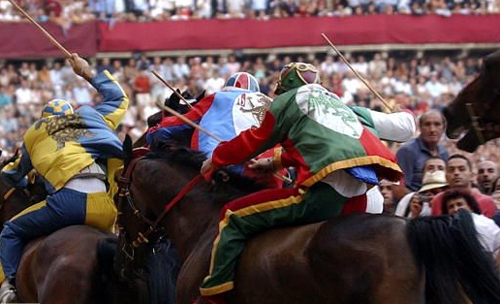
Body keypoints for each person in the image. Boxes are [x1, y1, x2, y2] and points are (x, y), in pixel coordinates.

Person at [194, 62, 416, 304]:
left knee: (232, 216)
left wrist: (217, 158)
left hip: (326, 196)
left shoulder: (285, 102)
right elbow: (402, 128)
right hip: (360, 198)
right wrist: (275, 163)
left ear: (284, 89)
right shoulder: (340, 105)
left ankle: (214, 294)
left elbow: (254, 140)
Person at [0, 54, 128, 303]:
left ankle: (9, 290)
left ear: (44, 118)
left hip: (68, 204)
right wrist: (88, 72)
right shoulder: (88, 117)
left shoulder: (35, 133)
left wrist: (27, 183)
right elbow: (119, 98)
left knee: (10, 231)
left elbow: (11, 174)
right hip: (107, 208)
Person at [147, 72, 284, 187]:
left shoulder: (218, 97)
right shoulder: (273, 104)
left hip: (220, 169)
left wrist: (154, 131)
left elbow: (171, 128)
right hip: (273, 174)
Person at [442, 189, 500, 266]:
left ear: (471, 207)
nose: (456, 209)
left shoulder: (483, 224)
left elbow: (486, 253)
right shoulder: (447, 227)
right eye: (451, 207)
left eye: (460, 204)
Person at [396, 110, 449, 191]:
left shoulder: (444, 153)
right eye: (427, 124)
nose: (432, 129)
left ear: (443, 128)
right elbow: (398, 188)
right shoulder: (407, 151)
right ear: (420, 127)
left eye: (437, 124)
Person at [431, 154, 497, 217]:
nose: (456, 173)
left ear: (471, 175)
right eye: (451, 170)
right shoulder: (438, 200)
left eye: (461, 169)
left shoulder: (486, 201)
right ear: (445, 177)